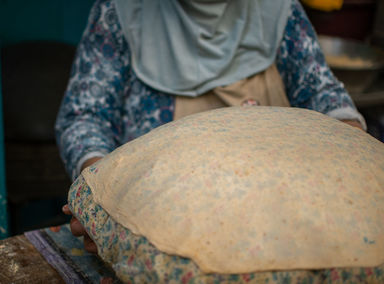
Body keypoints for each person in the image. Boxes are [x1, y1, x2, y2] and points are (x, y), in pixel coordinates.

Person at [56, 0, 365, 253]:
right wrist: (103, 196)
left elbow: (322, 94)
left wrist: (355, 162)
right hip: (161, 219)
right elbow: (85, 115)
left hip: (277, 217)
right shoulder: (120, 11)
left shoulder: (279, 9)